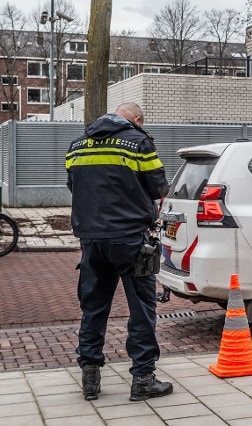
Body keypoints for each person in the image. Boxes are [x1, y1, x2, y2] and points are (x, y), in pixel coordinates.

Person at [65, 103, 172, 402]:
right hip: (130, 240)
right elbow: (159, 187)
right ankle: (143, 378)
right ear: (136, 120)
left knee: (94, 308)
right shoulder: (138, 143)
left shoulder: (77, 145)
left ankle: (89, 376)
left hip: (91, 240)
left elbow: (74, 186)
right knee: (141, 308)